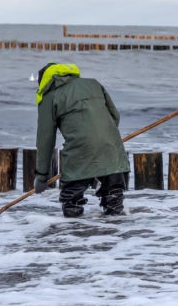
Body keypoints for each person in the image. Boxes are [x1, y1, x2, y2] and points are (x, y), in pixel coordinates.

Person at [34, 63, 130, 217]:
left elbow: (45, 139)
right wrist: (103, 139)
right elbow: (115, 116)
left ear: (45, 81)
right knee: (114, 200)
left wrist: (41, 176)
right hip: (112, 151)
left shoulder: (49, 96)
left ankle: (74, 235)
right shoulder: (93, 83)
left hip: (79, 155)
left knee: (72, 202)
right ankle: (116, 237)